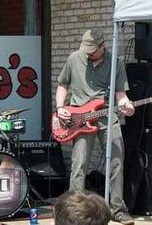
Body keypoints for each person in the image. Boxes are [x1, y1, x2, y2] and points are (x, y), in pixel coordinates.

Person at [55, 28, 135, 225]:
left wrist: (128, 107)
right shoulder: (74, 58)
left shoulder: (114, 62)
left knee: (116, 162)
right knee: (79, 164)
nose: (88, 53)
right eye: (86, 49)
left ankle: (118, 210)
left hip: (107, 116)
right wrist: (59, 108)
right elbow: (62, 85)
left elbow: (121, 96)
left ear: (103, 46)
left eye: (92, 50)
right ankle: (72, 211)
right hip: (78, 118)